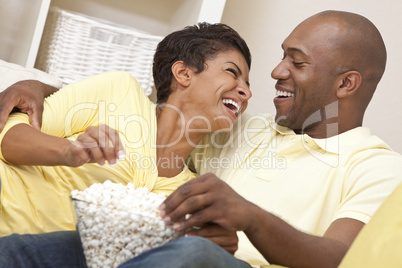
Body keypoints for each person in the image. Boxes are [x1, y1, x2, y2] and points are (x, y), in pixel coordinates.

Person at [0, 10, 401, 268]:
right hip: (165, 256)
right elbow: (153, 111)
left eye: (296, 62)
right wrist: (37, 85)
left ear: (346, 83)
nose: (275, 73)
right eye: (281, 58)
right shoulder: (242, 128)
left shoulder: (377, 166)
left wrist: (250, 217)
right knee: (45, 248)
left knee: (191, 254)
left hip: (220, 263)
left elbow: (345, 258)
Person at [0, 22, 251, 244]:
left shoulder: (186, 192)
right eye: (232, 73)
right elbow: (8, 136)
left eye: (248, 85)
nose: (246, 93)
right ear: (183, 73)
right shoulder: (120, 92)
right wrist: (70, 151)